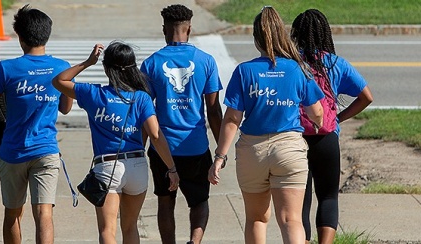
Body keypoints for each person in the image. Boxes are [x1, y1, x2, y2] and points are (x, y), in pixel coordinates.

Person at [208, 6, 324, 244]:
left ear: (255, 38)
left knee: (257, 218)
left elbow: (231, 119)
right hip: (289, 149)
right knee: (291, 219)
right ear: (283, 34)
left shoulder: (244, 71)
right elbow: (317, 112)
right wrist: (316, 123)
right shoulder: (297, 68)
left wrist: (220, 157)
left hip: (253, 150)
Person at [53, 41, 180, 244]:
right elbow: (155, 135)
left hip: (107, 166)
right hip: (137, 166)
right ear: (132, 68)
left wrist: (87, 62)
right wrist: (171, 168)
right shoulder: (141, 98)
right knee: (130, 228)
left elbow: (59, 81)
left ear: (106, 68)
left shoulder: (94, 94)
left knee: (107, 231)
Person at [0, 5, 73, 244]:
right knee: (44, 213)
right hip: (46, 150)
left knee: (13, 213)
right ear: (47, 34)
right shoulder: (62, 67)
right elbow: (65, 107)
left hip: (13, 152)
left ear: (20, 37)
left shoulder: (7, 68)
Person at [139, 4, 223, 244]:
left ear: (164, 29)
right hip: (196, 147)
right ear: (190, 29)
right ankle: (194, 242)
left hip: (162, 148)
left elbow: (143, 112)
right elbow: (214, 110)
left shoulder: (151, 64)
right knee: (199, 201)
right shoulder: (206, 61)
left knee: (165, 201)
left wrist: (138, 149)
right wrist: (221, 151)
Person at [291, 9, 374, 244]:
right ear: (325, 33)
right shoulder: (335, 63)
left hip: (295, 139)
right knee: (328, 197)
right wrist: (339, 118)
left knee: (301, 203)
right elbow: (366, 96)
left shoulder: (290, 64)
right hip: (327, 138)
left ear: (296, 34)